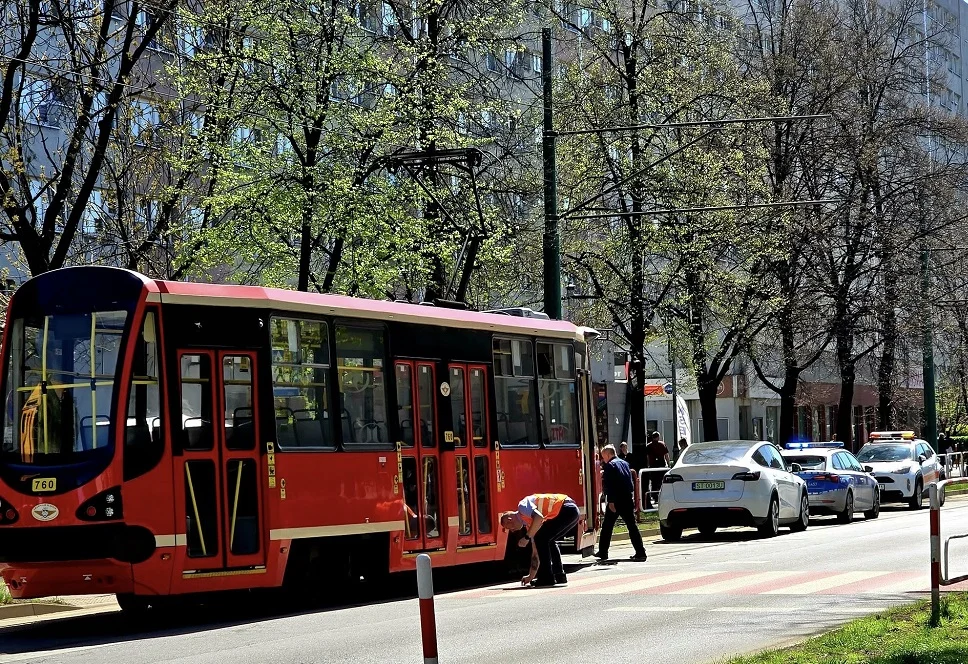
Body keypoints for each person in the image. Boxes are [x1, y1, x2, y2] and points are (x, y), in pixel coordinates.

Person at [500, 493, 580, 587]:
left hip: (566, 509)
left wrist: (526, 537)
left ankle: (547, 578)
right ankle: (559, 575)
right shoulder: (530, 524)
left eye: (509, 528)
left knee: (541, 538)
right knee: (547, 540)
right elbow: (535, 553)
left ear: (509, 519)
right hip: (571, 511)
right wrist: (530, 576)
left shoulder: (522, 506)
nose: (512, 531)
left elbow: (539, 517)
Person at [595, 444, 648, 562]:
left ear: (608, 455)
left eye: (603, 457)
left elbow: (610, 485)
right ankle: (640, 552)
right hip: (627, 498)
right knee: (632, 526)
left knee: (607, 526)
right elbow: (630, 483)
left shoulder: (610, 466)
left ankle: (603, 552)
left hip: (616, 499)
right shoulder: (625, 463)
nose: (603, 460)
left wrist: (611, 501)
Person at [644, 432, 670, 507]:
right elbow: (666, 455)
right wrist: (668, 464)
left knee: (654, 482)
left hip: (653, 465)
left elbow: (648, 457)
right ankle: (661, 495)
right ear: (658, 437)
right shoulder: (662, 444)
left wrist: (648, 465)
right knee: (661, 481)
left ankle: (655, 496)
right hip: (661, 465)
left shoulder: (649, 446)